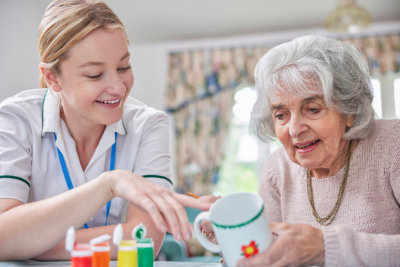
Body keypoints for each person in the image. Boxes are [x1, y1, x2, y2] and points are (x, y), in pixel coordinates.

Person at [0, 0, 215, 261]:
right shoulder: (15, 119)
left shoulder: (149, 125)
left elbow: (144, 239)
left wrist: (26, 241)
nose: (118, 87)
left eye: (123, 67)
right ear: (53, 78)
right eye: (95, 74)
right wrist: (108, 185)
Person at [235, 35, 400, 266]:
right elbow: (267, 251)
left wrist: (325, 247)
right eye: (281, 115)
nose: (294, 130)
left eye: (312, 109)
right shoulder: (277, 168)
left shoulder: (393, 144)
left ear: (350, 110)